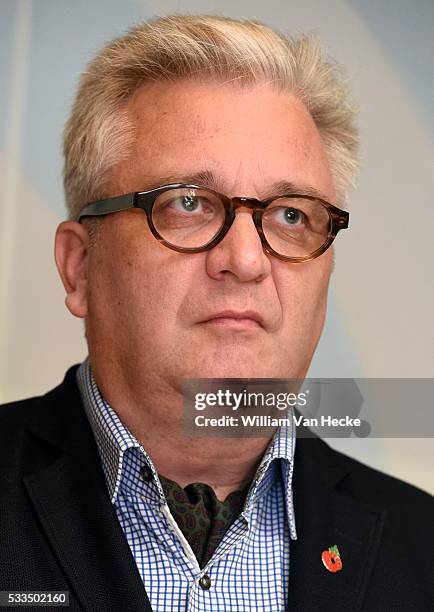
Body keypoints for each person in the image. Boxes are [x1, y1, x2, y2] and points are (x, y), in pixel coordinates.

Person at [0, 14, 432, 612]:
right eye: (188, 203)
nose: (246, 261)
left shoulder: (422, 548)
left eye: (290, 216)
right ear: (79, 267)